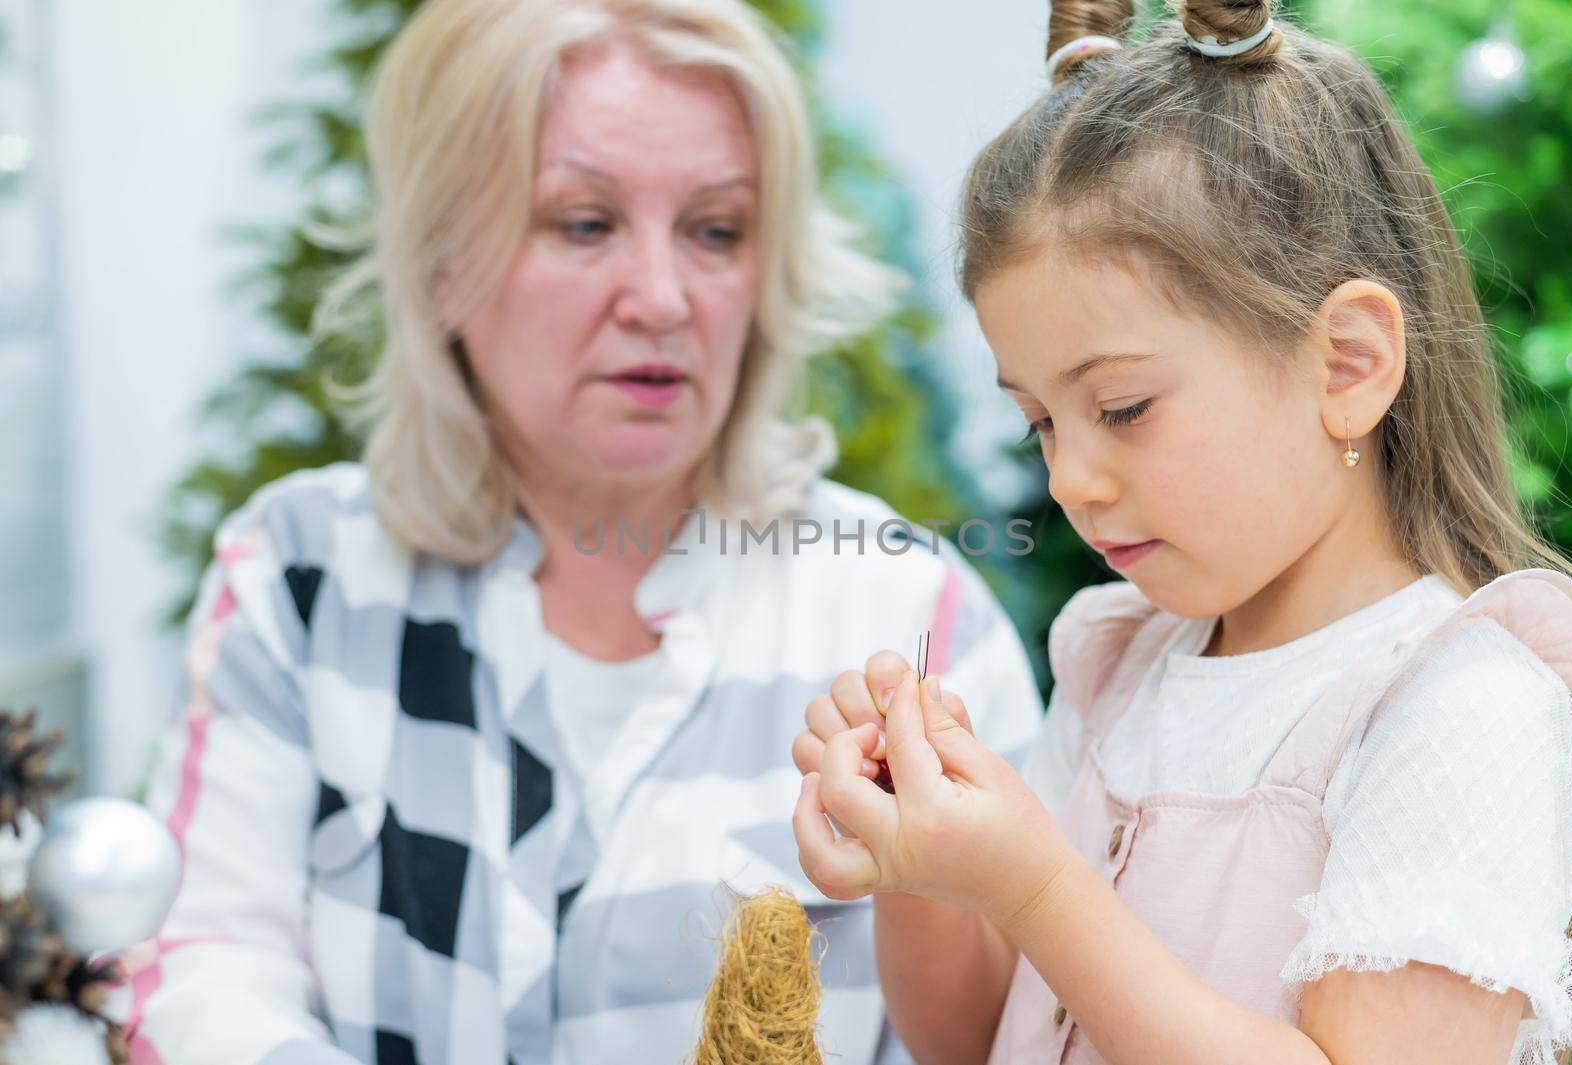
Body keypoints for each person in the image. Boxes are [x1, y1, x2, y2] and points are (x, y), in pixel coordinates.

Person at [112, 1, 1042, 1062]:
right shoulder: (298, 579)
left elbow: (1013, 1034)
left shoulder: (906, 615)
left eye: (716, 230)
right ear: (441, 260)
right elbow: (203, 967)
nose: (660, 298)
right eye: (585, 222)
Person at [791, 1, 1572, 1063]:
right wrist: (922, 868)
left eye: (1121, 409)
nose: (1069, 477)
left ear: (1347, 365)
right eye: (1039, 421)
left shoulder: (1459, 704)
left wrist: (1034, 887)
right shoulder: (1120, 664)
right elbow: (970, 1041)